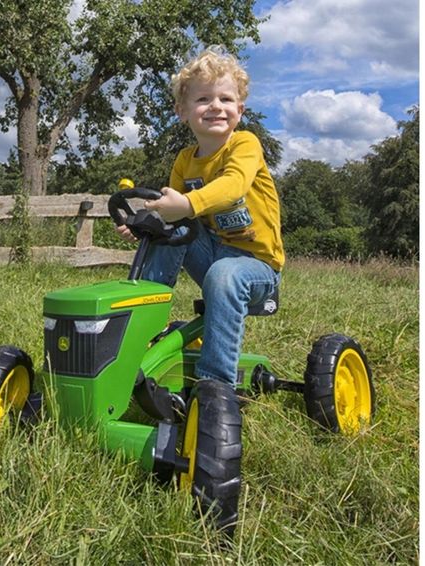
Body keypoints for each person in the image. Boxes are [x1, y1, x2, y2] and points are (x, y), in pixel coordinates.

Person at [117, 46, 285, 388]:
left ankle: (216, 387)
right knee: (168, 232)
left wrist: (188, 205)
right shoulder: (184, 160)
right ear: (183, 111)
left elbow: (233, 186)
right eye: (203, 99)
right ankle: (143, 330)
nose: (216, 107)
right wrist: (146, 224)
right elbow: (174, 211)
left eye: (225, 99)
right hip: (211, 254)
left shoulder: (244, 145)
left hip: (257, 267)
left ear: (240, 109)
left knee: (224, 274)